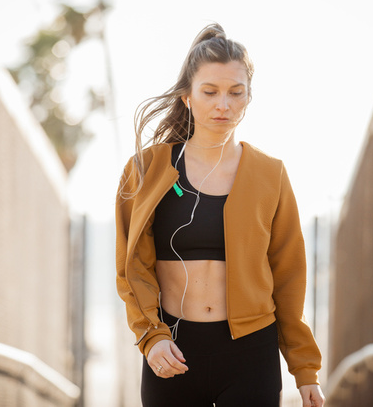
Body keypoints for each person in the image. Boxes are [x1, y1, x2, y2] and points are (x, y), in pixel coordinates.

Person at [115, 23, 325, 407]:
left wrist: (304, 369)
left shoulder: (270, 173)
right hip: (172, 350)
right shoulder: (147, 169)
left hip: (250, 353)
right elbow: (132, 267)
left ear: (249, 97)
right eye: (210, 92)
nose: (223, 105)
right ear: (187, 97)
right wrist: (151, 335)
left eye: (235, 92)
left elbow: (289, 275)